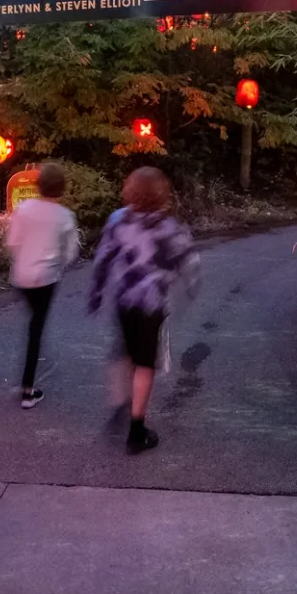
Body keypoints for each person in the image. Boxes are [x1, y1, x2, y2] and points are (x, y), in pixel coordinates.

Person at [88, 166, 196, 453]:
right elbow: (188, 260)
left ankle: (120, 400)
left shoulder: (117, 221)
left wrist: (96, 293)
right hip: (152, 304)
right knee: (145, 363)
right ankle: (137, 430)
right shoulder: (168, 226)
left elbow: (103, 259)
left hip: (124, 300)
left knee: (124, 350)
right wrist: (190, 284)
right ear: (161, 193)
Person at [4, 161, 80, 409]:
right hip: (46, 278)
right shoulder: (65, 217)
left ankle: (31, 377)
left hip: (22, 276)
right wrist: (56, 263)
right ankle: (28, 389)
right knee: (36, 328)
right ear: (61, 188)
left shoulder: (23, 209)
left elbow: (12, 243)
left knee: (34, 323)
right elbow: (70, 254)